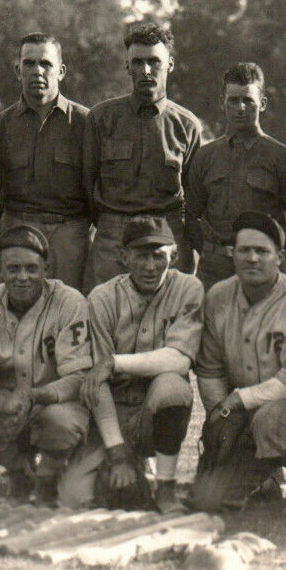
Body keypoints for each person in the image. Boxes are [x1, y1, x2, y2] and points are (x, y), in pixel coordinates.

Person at [65, 216, 205, 514]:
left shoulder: (189, 288)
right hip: (110, 411)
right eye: (142, 255)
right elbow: (95, 380)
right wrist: (116, 453)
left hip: (152, 409)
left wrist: (115, 362)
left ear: (175, 255)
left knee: (173, 387)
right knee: (74, 498)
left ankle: (165, 487)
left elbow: (179, 358)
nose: (151, 266)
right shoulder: (102, 297)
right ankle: (128, 464)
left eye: (159, 255)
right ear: (124, 257)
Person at [191, 212, 286, 513]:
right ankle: (267, 480)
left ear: (279, 257)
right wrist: (219, 416)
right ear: (232, 254)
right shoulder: (218, 296)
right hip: (245, 414)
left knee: (271, 420)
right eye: (244, 250)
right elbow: (210, 369)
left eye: (262, 251)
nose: (252, 258)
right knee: (208, 502)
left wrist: (237, 401)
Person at [0, 225, 93, 505]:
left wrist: (33, 397)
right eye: (13, 268)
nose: (22, 277)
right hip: (6, 405)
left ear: (46, 267)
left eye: (32, 268)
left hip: (54, 403)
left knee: (62, 423)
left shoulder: (69, 302)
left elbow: (78, 375)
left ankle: (48, 475)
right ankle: (19, 473)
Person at [82, 22, 202, 290]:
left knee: (169, 316)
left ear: (170, 64)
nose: (146, 71)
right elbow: (86, 186)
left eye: (154, 62)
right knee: (106, 315)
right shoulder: (102, 119)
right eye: (137, 62)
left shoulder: (187, 125)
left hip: (168, 233)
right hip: (114, 236)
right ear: (127, 66)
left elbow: (195, 198)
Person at [185, 63, 286, 290]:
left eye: (248, 100)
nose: (240, 108)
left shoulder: (282, 158)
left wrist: (281, 258)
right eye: (233, 100)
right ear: (222, 102)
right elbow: (191, 214)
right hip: (215, 272)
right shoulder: (205, 156)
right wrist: (209, 251)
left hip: (265, 269)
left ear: (262, 104)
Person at [0, 33, 91, 291]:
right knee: (17, 303)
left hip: (69, 234)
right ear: (18, 70)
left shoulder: (85, 123)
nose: (37, 71)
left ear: (61, 71)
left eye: (46, 64)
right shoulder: (0, 126)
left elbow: (95, 188)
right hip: (18, 228)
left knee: (68, 304)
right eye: (29, 63)